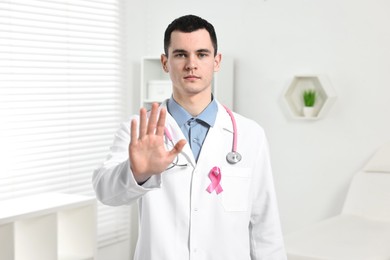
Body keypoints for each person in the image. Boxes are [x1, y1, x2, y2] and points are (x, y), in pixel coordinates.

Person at [93, 14, 286, 260]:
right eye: (181, 54)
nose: (191, 64)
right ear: (165, 62)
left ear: (217, 62)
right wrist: (137, 172)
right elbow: (105, 192)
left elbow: (265, 226)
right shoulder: (139, 130)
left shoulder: (250, 135)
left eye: (202, 54)